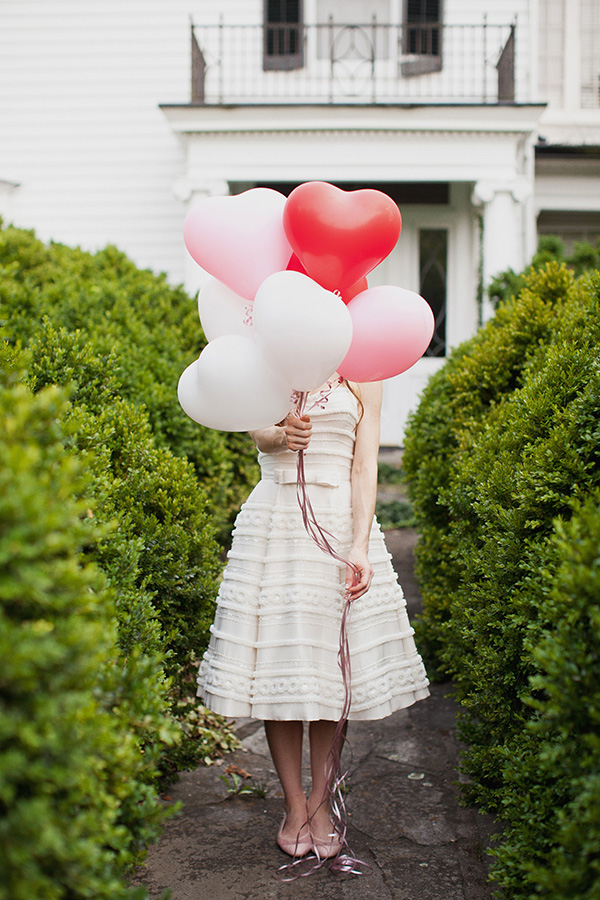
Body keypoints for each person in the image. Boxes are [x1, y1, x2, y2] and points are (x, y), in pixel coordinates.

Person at [197, 376, 429, 861]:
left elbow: (366, 464)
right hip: (277, 516)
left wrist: (360, 545)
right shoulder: (270, 355)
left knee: (328, 670)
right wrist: (280, 434)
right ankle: (294, 805)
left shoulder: (366, 370)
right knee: (277, 667)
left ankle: (321, 806)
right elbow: (255, 431)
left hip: (338, 522)